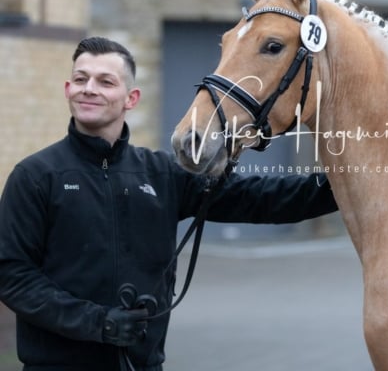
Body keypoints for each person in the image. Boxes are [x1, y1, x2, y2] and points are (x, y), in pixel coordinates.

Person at [0, 37, 338, 371]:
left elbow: (263, 199)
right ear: (67, 89)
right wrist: (96, 323)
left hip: (143, 365)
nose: (89, 88)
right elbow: (12, 274)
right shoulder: (35, 176)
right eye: (80, 79)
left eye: (105, 81)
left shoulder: (162, 173)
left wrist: (356, 181)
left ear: (131, 98)